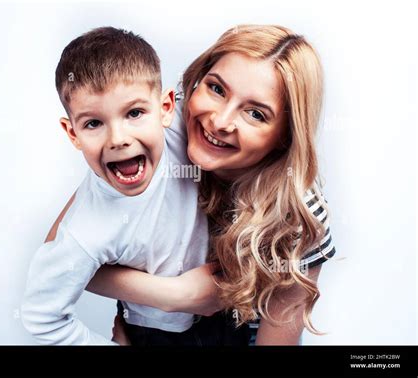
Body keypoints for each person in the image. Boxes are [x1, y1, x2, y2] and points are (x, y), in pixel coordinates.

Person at [45, 25, 337, 346]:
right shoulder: (160, 127)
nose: (220, 121)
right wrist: (175, 296)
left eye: (255, 113)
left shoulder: (297, 210)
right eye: (216, 89)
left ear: (286, 135)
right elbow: (59, 253)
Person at [21, 26, 249, 345]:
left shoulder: (180, 128)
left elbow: (238, 80)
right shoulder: (85, 229)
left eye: (135, 113)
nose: (118, 139)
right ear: (72, 133)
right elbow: (41, 316)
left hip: (227, 313)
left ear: (166, 108)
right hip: (160, 335)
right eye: (93, 123)